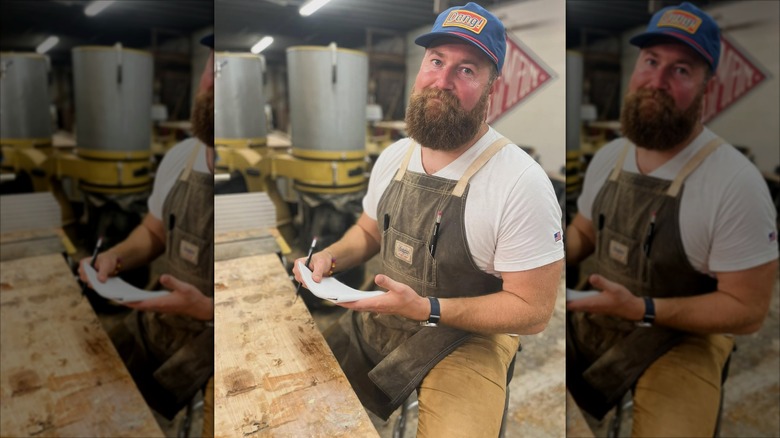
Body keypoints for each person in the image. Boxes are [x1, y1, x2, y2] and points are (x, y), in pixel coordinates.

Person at [293, 3, 564, 436]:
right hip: (383, 317)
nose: (443, 81)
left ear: (492, 87)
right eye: (436, 61)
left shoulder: (520, 182)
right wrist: (330, 257)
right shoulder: (393, 157)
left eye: (467, 70)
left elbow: (532, 310)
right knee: (298, 403)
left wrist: (428, 308)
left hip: (467, 337)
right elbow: (367, 232)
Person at [565, 3, 778, 436]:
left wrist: (643, 309)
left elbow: (748, 310)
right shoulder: (610, 157)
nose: (656, 81)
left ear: (707, 90)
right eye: (651, 61)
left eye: (681, 70)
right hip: (598, 313)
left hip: (686, 336)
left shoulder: (735, 183)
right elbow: (585, 230)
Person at [79, 34, 215, 427]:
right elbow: (154, 233)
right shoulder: (180, 157)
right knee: (95, 384)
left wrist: (206, 309)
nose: (213, 82)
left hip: (213, 335)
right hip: (162, 315)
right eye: (211, 66)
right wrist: (114, 258)